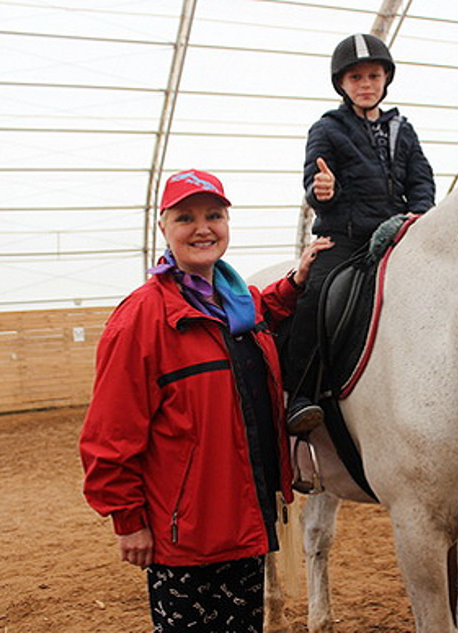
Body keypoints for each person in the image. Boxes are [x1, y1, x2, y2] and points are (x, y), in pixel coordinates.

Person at [79, 169, 331, 632]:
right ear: (164, 228)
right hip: (187, 536)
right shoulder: (142, 318)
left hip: (246, 519)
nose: (202, 228)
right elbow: (110, 433)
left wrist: (296, 280)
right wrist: (128, 520)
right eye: (185, 217)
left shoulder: (236, 303)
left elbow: (262, 311)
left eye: (214, 215)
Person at [285, 33, 436, 433]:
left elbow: (421, 180)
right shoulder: (327, 129)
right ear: (342, 84)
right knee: (317, 298)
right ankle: (297, 394)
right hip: (345, 238)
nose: (366, 84)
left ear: (385, 79)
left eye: (373, 75)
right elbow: (312, 184)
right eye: (356, 78)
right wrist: (323, 192)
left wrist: (416, 217)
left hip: (397, 235)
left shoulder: (403, 129)